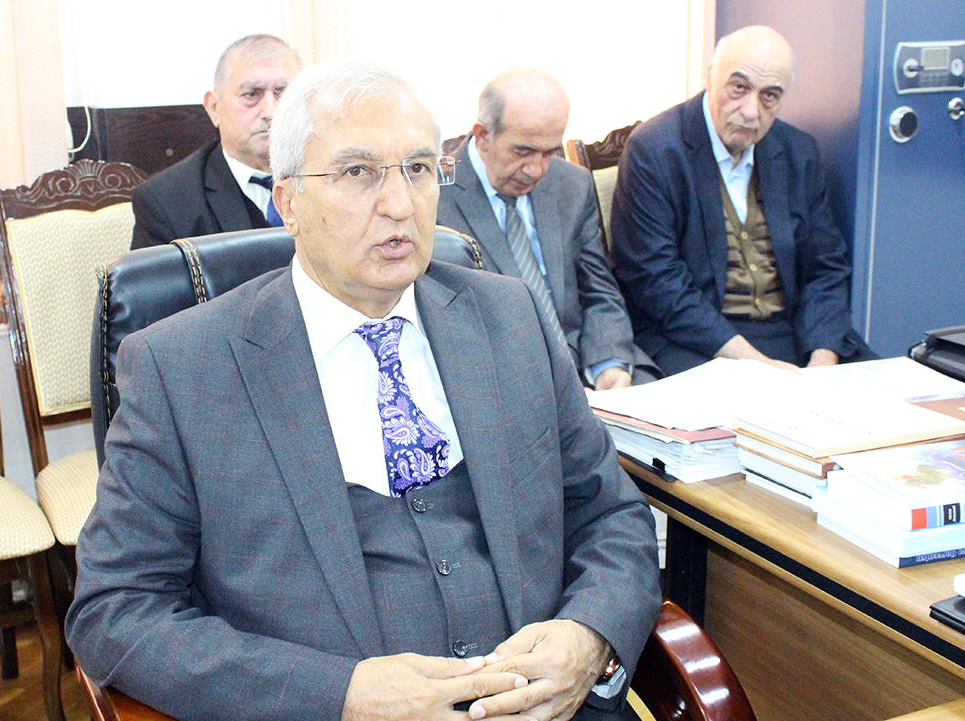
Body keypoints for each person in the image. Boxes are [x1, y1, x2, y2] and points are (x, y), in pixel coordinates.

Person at [66, 60, 660, 721]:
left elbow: (611, 516)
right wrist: (339, 696)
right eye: (357, 172)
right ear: (288, 202)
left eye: (418, 168)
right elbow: (116, 610)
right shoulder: (182, 368)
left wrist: (589, 636)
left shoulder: (510, 316)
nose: (401, 204)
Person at [610, 25, 876, 376]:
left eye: (770, 96)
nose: (751, 111)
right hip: (695, 338)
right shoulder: (655, 150)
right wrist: (758, 366)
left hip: (796, 332)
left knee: (893, 398)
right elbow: (657, 282)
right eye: (739, 87)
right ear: (710, 76)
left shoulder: (798, 151)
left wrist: (822, 362)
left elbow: (826, 267)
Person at [438, 68, 659, 390]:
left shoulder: (571, 184)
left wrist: (609, 364)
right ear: (483, 136)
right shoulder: (435, 196)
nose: (536, 170)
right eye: (523, 151)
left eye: (549, 152)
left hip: (585, 361)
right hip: (505, 381)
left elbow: (599, 290)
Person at [130, 34, 301, 249]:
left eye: (283, 94)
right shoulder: (167, 201)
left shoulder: (330, 176)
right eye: (251, 94)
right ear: (214, 107)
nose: (270, 112)